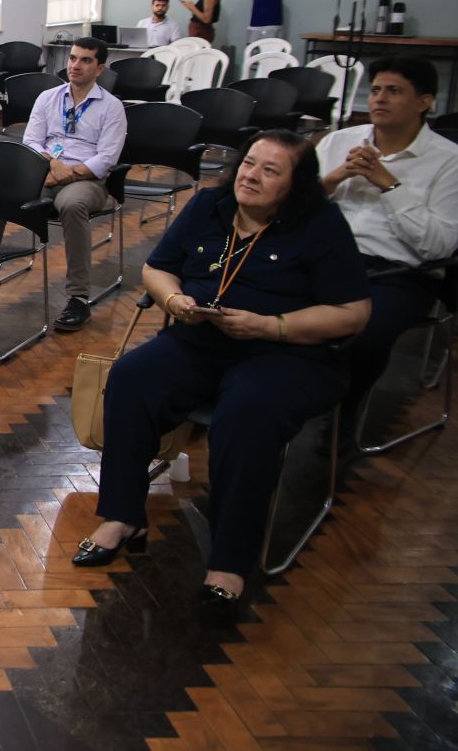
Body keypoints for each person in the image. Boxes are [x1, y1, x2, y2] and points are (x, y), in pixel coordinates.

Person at [74, 130, 370, 612]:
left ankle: (230, 560)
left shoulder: (320, 224)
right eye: (249, 164)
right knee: (130, 378)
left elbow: (353, 313)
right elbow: (158, 268)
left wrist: (272, 325)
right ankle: (122, 516)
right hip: (201, 340)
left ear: (297, 184)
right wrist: (174, 299)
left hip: (289, 354)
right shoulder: (208, 206)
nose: (251, 176)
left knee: (248, 411)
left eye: (270, 171)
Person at [316, 57, 458, 421]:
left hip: (397, 274)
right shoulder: (338, 142)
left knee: (363, 334)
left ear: (424, 102)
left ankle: (341, 418)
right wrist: (333, 180)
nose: (379, 98)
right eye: (376, 90)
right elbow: (291, 206)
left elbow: (438, 245)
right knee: (251, 296)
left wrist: (388, 183)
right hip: (324, 256)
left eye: (394, 91)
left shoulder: (449, 161)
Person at [0, 37, 125, 331]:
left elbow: (106, 158)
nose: (75, 65)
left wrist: (67, 172)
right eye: (72, 58)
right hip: (44, 172)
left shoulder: (112, 107)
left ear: (99, 68)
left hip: (87, 180)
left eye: (85, 60)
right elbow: (32, 140)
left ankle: (78, 297)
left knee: (72, 204)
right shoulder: (49, 98)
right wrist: (51, 167)